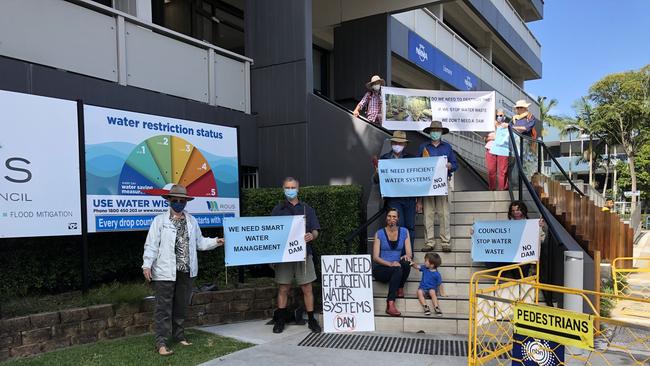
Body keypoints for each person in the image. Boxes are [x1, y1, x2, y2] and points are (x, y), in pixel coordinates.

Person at [142, 184, 224, 356]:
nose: (178, 203)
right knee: (163, 308)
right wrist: (147, 264)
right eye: (175, 200)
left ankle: (179, 336)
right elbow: (151, 245)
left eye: (182, 201)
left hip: (186, 271)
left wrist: (217, 241)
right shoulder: (159, 221)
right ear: (169, 201)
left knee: (180, 307)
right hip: (165, 271)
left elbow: (200, 243)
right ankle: (161, 342)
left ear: (186, 202)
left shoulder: (191, 221)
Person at [270, 177, 321, 334]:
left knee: (307, 287)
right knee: (283, 288)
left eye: (293, 187)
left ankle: (311, 319)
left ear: (298, 189)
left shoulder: (307, 209)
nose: (290, 190)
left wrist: (312, 236)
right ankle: (280, 320)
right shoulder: (277, 210)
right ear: (283, 188)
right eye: (287, 187)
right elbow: (271, 233)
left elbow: (315, 230)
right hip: (284, 256)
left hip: (304, 254)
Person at [471, 200, 546, 278]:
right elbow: (494, 238)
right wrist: (475, 232)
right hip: (509, 256)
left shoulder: (531, 224)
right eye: (513, 211)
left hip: (523, 257)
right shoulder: (508, 225)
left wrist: (539, 227)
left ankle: (516, 279)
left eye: (517, 210)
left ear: (523, 210)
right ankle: (507, 273)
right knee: (489, 261)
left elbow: (542, 239)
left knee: (521, 269)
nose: (515, 212)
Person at [416, 121, 458, 253]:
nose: (435, 133)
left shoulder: (447, 147)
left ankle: (445, 242)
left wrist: (450, 165)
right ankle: (429, 242)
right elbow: (416, 165)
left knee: (444, 213)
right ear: (429, 132)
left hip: (442, 184)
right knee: (428, 213)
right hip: (427, 185)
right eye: (433, 130)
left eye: (437, 130)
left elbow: (455, 164)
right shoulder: (423, 147)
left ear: (441, 132)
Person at [373, 130, 416, 240]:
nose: (397, 145)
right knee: (399, 225)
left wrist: (419, 201)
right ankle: (401, 255)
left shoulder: (412, 159)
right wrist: (378, 172)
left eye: (400, 143)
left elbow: (417, 180)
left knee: (410, 227)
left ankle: (409, 256)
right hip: (393, 198)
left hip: (409, 198)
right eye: (395, 143)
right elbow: (376, 180)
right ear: (391, 143)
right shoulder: (384, 159)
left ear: (405, 144)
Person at [372, 208, 413, 316]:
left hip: (396, 268)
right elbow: (375, 257)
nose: (391, 219)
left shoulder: (404, 232)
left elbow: (409, 253)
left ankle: (400, 287)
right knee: (397, 268)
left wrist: (406, 256)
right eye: (389, 216)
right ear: (386, 218)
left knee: (406, 263)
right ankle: (390, 304)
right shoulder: (379, 233)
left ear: (398, 218)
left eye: (394, 216)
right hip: (381, 268)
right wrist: (390, 264)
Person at [485, 109, 509, 191]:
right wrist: (490, 137)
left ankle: (502, 189)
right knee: (491, 170)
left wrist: (495, 137)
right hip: (490, 148)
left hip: (502, 149)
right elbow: (485, 138)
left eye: (501, 115)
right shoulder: (490, 125)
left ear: (504, 116)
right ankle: (492, 189)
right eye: (497, 116)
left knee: (502, 171)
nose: (499, 117)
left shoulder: (506, 126)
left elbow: (507, 138)